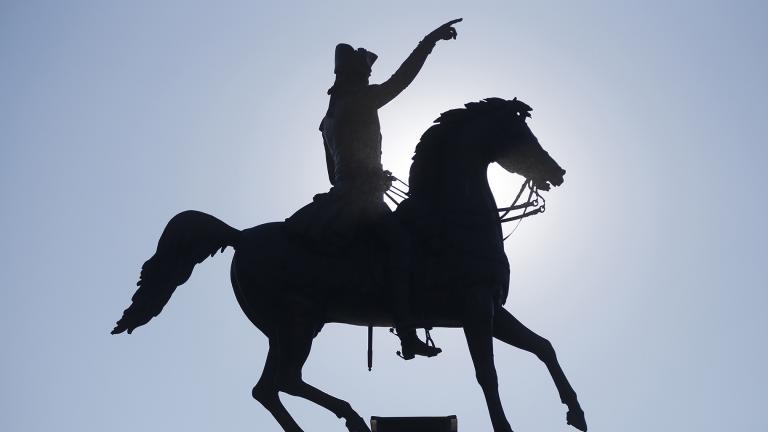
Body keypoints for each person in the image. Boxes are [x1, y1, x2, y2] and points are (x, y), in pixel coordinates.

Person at [287, 19, 462, 359]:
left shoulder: (328, 118)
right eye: (365, 73)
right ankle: (407, 334)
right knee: (402, 244)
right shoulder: (362, 100)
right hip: (363, 201)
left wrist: (373, 176)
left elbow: (333, 172)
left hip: (345, 195)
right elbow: (401, 80)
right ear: (355, 75)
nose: (370, 77)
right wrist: (428, 42)